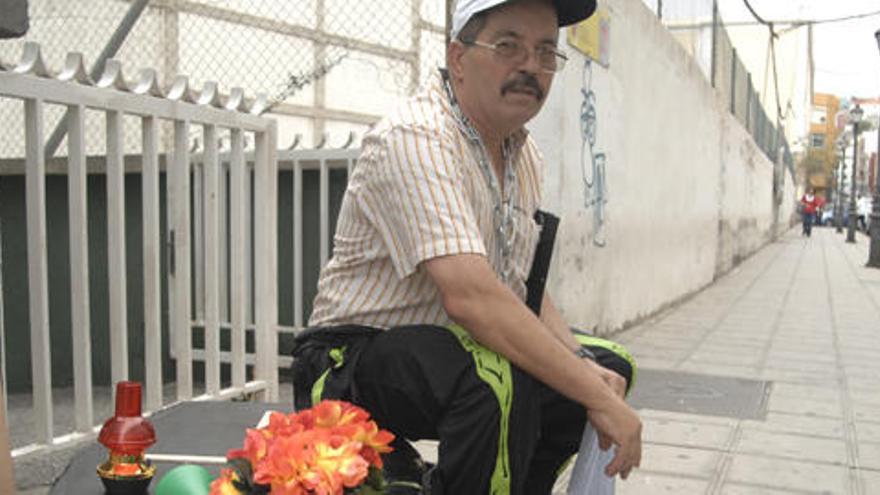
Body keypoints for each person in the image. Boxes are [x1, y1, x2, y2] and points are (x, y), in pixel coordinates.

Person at [294, 0, 642, 493]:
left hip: (447, 348)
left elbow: (520, 292)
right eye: (508, 46)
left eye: (546, 52)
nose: (530, 67)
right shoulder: (417, 136)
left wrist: (586, 371)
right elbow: (472, 298)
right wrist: (596, 396)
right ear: (458, 58)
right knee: (495, 378)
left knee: (607, 366)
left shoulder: (522, 153)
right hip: (348, 360)